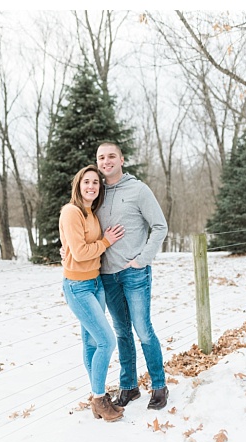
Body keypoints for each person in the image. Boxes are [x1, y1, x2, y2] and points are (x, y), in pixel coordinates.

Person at [95, 141, 171, 410]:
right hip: (107, 275)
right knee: (121, 333)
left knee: (143, 330)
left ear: (122, 159)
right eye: (102, 157)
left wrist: (142, 260)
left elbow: (160, 226)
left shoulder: (138, 190)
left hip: (135, 273)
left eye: (111, 156)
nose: (107, 161)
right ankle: (129, 387)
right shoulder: (97, 193)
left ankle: (159, 385)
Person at [59, 165, 126, 422]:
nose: (91, 186)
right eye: (86, 182)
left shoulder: (91, 212)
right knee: (107, 341)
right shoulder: (71, 211)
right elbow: (79, 252)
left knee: (90, 342)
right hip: (78, 287)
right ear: (78, 185)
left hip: (95, 282)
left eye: (95, 183)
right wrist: (106, 241)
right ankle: (98, 399)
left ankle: (97, 395)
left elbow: (75, 247)